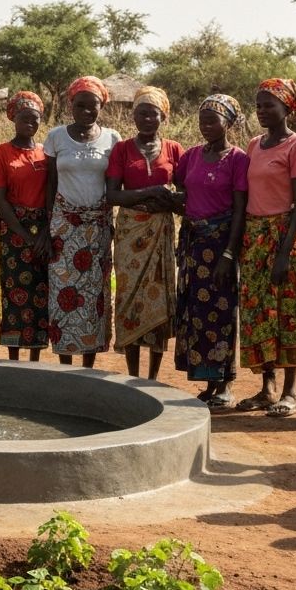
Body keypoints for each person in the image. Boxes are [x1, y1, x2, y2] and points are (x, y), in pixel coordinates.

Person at [237, 78, 296, 417]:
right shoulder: (255, 145)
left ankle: (290, 392)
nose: (262, 111)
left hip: (287, 233)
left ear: (287, 109)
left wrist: (284, 252)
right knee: (257, 312)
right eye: (259, 105)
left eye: (269, 105)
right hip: (255, 235)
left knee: (289, 310)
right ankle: (267, 387)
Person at [172, 94, 249, 408]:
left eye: (212, 120)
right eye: (202, 120)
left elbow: (241, 210)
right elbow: (180, 190)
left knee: (222, 311)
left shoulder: (238, 159)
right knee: (196, 313)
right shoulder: (190, 156)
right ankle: (208, 383)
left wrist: (229, 254)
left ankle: (225, 384)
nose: (205, 126)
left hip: (220, 245)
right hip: (194, 246)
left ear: (228, 123)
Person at [106, 86, 183, 379]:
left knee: (159, 297)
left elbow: (186, 192)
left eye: (153, 113)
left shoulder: (174, 149)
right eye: (141, 112)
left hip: (160, 231)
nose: (147, 118)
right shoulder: (122, 149)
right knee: (128, 297)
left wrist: (173, 200)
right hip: (130, 233)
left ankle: (152, 377)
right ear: (133, 115)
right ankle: (132, 375)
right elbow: (112, 196)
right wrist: (151, 192)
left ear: (163, 116)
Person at [43, 76, 120, 367]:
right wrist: (48, 225)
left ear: (102, 106)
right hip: (64, 227)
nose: (87, 111)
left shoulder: (112, 139)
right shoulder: (56, 137)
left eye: (93, 106)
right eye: (81, 105)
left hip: (97, 228)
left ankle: (88, 365)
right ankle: (65, 364)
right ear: (70, 105)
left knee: (92, 297)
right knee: (63, 292)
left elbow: (115, 186)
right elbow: (50, 184)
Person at [0, 91, 49, 360]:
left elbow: (51, 193)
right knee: (14, 291)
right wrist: (23, 235)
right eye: (25, 118)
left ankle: (35, 358)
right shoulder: (2, 153)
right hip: (13, 230)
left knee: (40, 292)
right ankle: (14, 357)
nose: (30, 123)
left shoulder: (45, 153)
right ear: (14, 118)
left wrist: (44, 233)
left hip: (43, 230)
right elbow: (0, 199)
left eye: (35, 119)